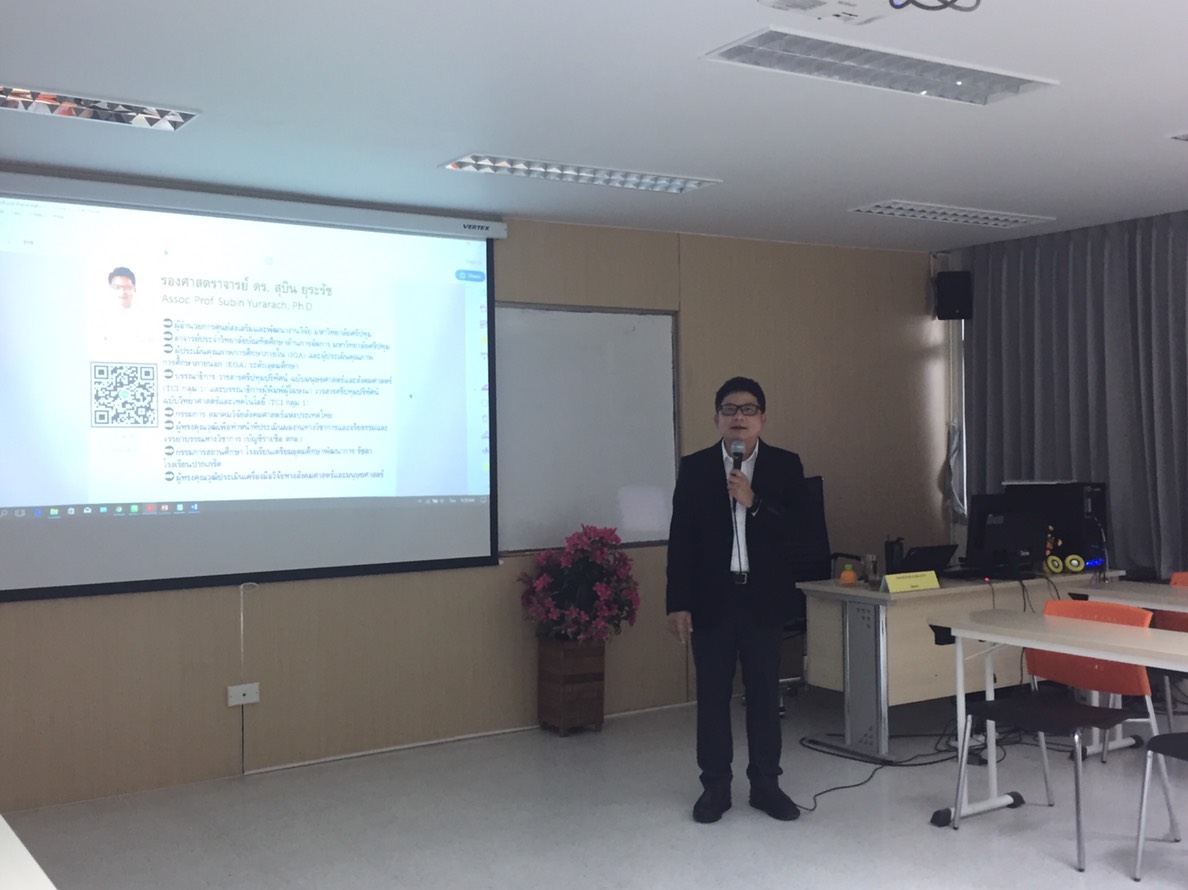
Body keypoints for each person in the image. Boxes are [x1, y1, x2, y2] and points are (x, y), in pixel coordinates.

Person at [666, 376, 806, 824]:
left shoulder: (785, 465)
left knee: (764, 697)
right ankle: (715, 787)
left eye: (748, 410)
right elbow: (681, 540)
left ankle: (766, 785)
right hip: (712, 599)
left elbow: (799, 530)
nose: (739, 417)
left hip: (762, 599)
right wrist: (678, 602)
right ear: (717, 419)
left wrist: (754, 501)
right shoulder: (695, 468)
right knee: (712, 698)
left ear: (762, 418)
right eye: (730, 409)